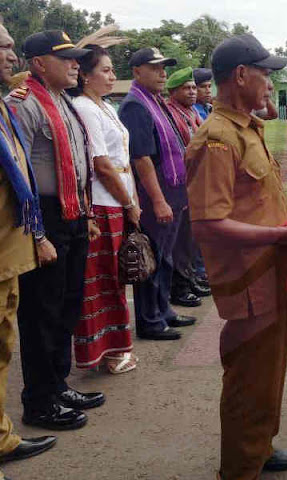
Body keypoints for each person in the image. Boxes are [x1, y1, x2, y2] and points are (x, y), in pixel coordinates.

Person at [185, 33, 287, 479]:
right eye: (266, 74)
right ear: (240, 75)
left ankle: (258, 447)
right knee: (248, 377)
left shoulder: (244, 127)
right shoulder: (216, 138)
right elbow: (207, 224)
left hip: (272, 272)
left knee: (269, 369)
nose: (271, 83)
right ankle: (239, 469)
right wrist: (280, 234)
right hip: (249, 281)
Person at [6, 30, 106, 431]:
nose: (74, 65)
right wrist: (37, 235)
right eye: (64, 58)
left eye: (76, 58)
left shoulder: (65, 101)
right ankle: (39, 401)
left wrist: (85, 213)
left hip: (72, 213)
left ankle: (57, 383)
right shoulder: (25, 103)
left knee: (67, 304)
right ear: (38, 63)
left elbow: (76, 161)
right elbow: (18, 173)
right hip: (44, 218)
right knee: (41, 313)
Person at [0, 20, 57, 475]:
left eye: (11, 48)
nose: (10, 56)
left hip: (10, 248)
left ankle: (1, 435)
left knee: (4, 344)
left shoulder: (5, 107)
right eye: (1, 47)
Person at [70, 36, 141, 374]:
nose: (113, 76)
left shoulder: (105, 106)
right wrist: (128, 202)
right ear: (85, 75)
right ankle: (106, 354)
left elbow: (121, 158)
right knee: (102, 283)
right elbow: (101, 163)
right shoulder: (84, 107)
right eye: (106, 70)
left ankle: (115, 350)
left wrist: (132, 198)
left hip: (119, 197)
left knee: (115, 278)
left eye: (114, 70)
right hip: (103, 201)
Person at [118, 47, 197, 341]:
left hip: (173, 191)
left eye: (164, 67)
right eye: (155, 67)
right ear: (137, 71)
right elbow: (141, 158)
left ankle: (163, 310)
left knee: (165, 257)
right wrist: (159, 200)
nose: (163, 73)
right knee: (151, 257)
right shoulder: (135, 105)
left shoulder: (154, 101)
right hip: (156, 195)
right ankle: (150, 320)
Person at [165, 66, 211, 308]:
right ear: (173, 91)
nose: (193, 92)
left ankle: (190, 278)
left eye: (194, 87)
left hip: (195, 181)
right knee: (181, 240)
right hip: (181, 183)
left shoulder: (192, 112)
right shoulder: (172, 113)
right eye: (187, 88)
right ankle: (180, 286)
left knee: (192, 238)